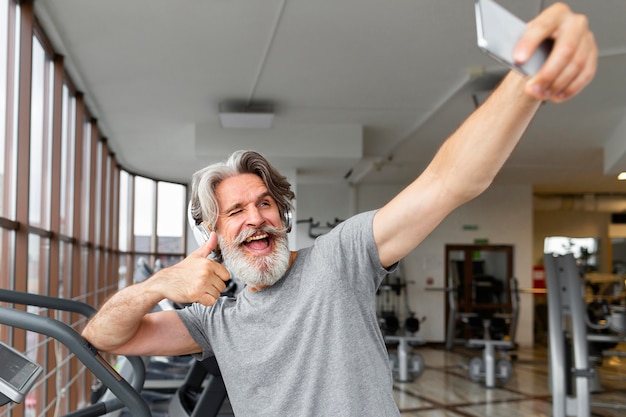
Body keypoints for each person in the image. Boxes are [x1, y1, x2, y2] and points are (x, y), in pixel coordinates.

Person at [82, 3, 597, 416]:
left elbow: (449, 182)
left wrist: (528, 82)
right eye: (236, 210)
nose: (256, 217)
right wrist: (156, 286)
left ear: (282, 217)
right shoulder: (214, 321)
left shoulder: (339, 258)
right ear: (213, 232)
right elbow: (104, 337)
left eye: (265, 203)